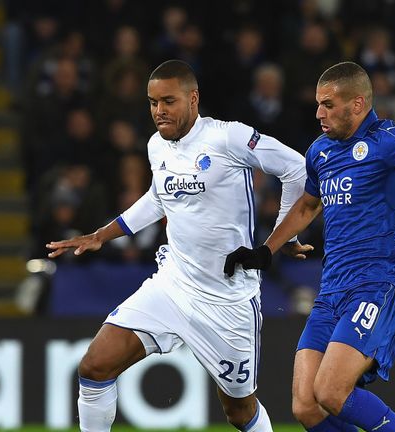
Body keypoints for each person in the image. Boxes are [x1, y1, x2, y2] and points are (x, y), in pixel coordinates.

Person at [224, 61, 395, 432]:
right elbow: (308, 205)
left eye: (327, 104)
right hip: (331, 291)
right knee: (307, 406)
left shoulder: (387, 141)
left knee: (331, 391)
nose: (318, 113)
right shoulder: (320, 152)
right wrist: (266, 250)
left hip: (377, 284)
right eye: (318, 104)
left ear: (357, 104)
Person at [46, 59, 308, 432]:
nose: (159, 111)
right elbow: (158, 197)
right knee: (95, 365)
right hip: (173, 285)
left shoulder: (228, 138)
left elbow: (297, 168)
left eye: (168, 101)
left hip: (227, 300)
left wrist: (283, 238)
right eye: (153, 103)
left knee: (240, 411)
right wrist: (102, 234)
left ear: (193, 99)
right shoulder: (157, 147)